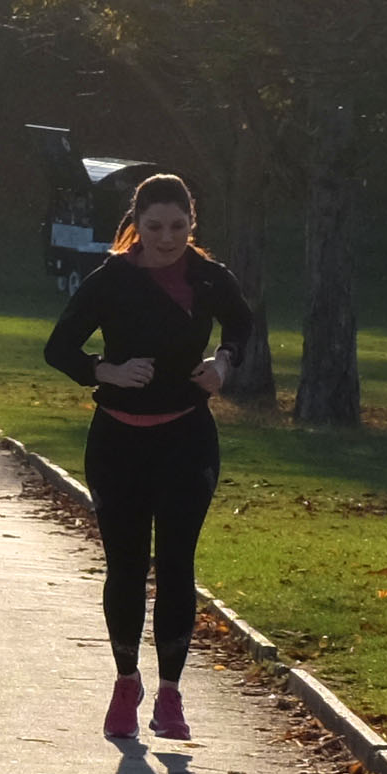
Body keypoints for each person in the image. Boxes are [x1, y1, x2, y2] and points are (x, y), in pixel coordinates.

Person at [43, 170, 256, 741]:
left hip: (186, 437)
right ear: (136, 225)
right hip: (118, 441)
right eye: (155, 226)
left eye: (178, 226)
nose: (167, 238)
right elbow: (59, 347)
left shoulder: (210, 278)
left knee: (178, 564)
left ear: (192, 224)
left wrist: (223, 363)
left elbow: (241, 323)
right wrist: (105, 370)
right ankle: (126, 681)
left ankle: (170, 693)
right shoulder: (112, 279)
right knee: (127, 566)